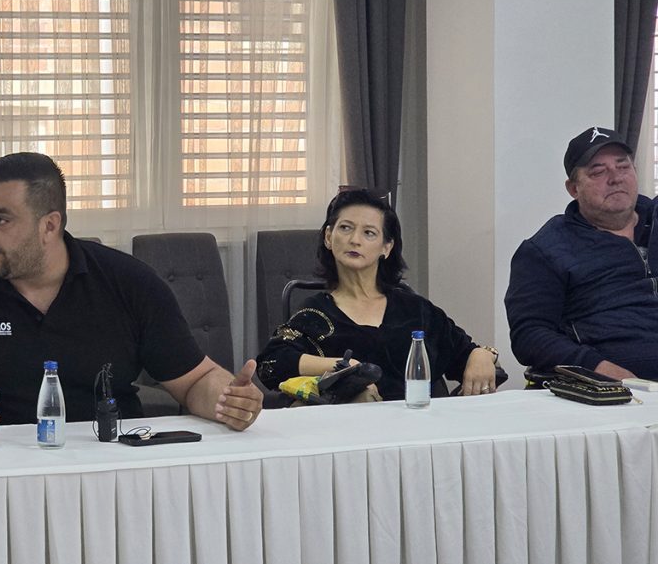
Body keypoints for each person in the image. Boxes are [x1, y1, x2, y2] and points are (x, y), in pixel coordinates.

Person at [0, 152, 262, 442]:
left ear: (49, 225)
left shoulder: (128, 282)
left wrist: (228, 400)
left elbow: (195, 380)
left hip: (109, 461)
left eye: (1, 219)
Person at [256, 189, 499, 401]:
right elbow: (270, 364)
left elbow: (464, 353)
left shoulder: (415, 309)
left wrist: (481, 354)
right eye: (345, 228)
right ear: (329, 237)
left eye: (369, 233)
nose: (354, 240)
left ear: (386, 247)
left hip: (421, 427)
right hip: (351, 430)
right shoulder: (315, 314)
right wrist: (345, 368)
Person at [505, 126, 658, 379]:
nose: (616, 178)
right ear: (574, 189)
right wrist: (595, 367)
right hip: (617, 388)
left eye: (623, 167)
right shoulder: (546, 250)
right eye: (598, 172)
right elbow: (529, 335)